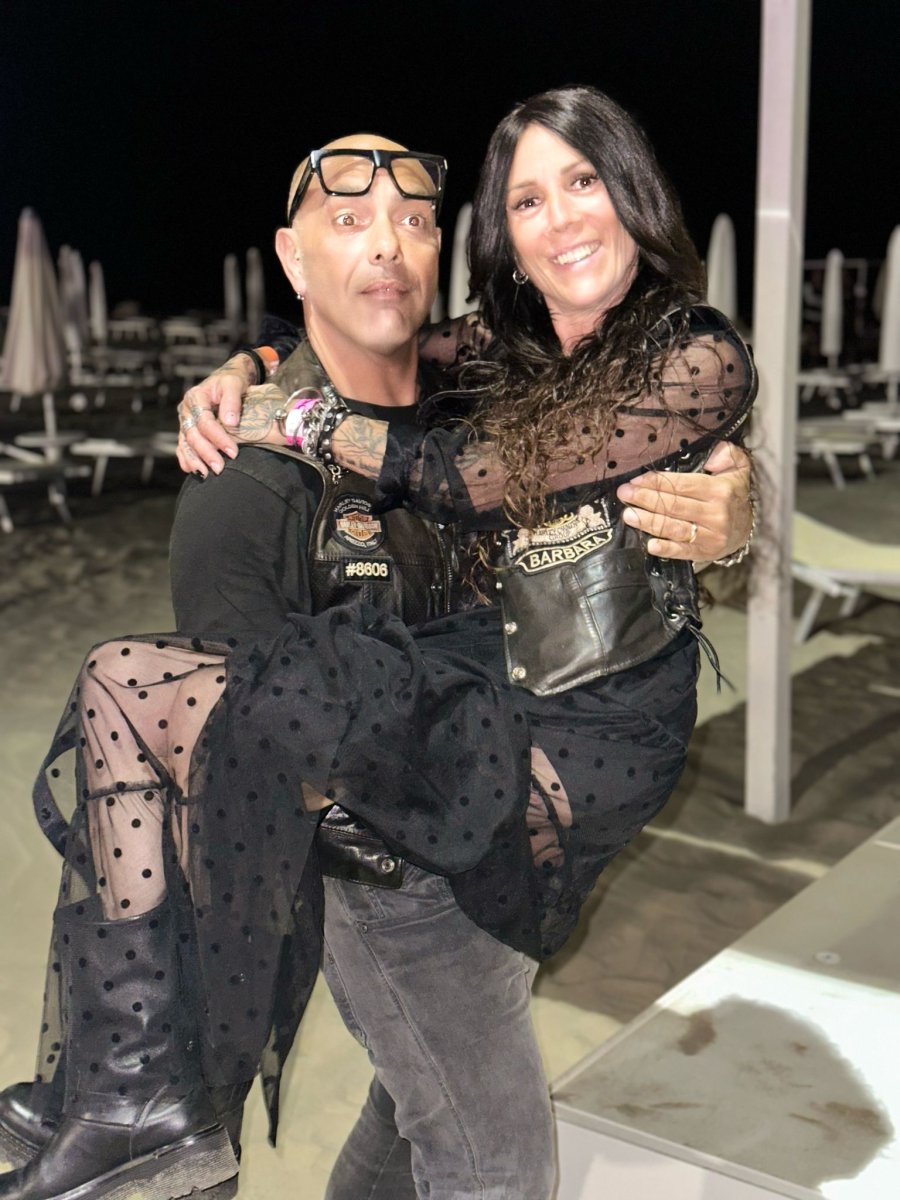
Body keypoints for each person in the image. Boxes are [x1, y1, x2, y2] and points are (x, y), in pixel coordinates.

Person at [0, 89, 755, 1200]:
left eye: (583, 182)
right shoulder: (454, 379)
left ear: (634, 192)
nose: (559, 219)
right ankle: (130, 1088)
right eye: (527, 200)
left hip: (553, 746)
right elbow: (234, 755)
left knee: (430, 1122)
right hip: (422, 813)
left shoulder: (656, 356)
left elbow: (469, 470)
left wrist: (740, 511)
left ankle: (133, 1090)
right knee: (133, 685)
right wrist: (251, 367)